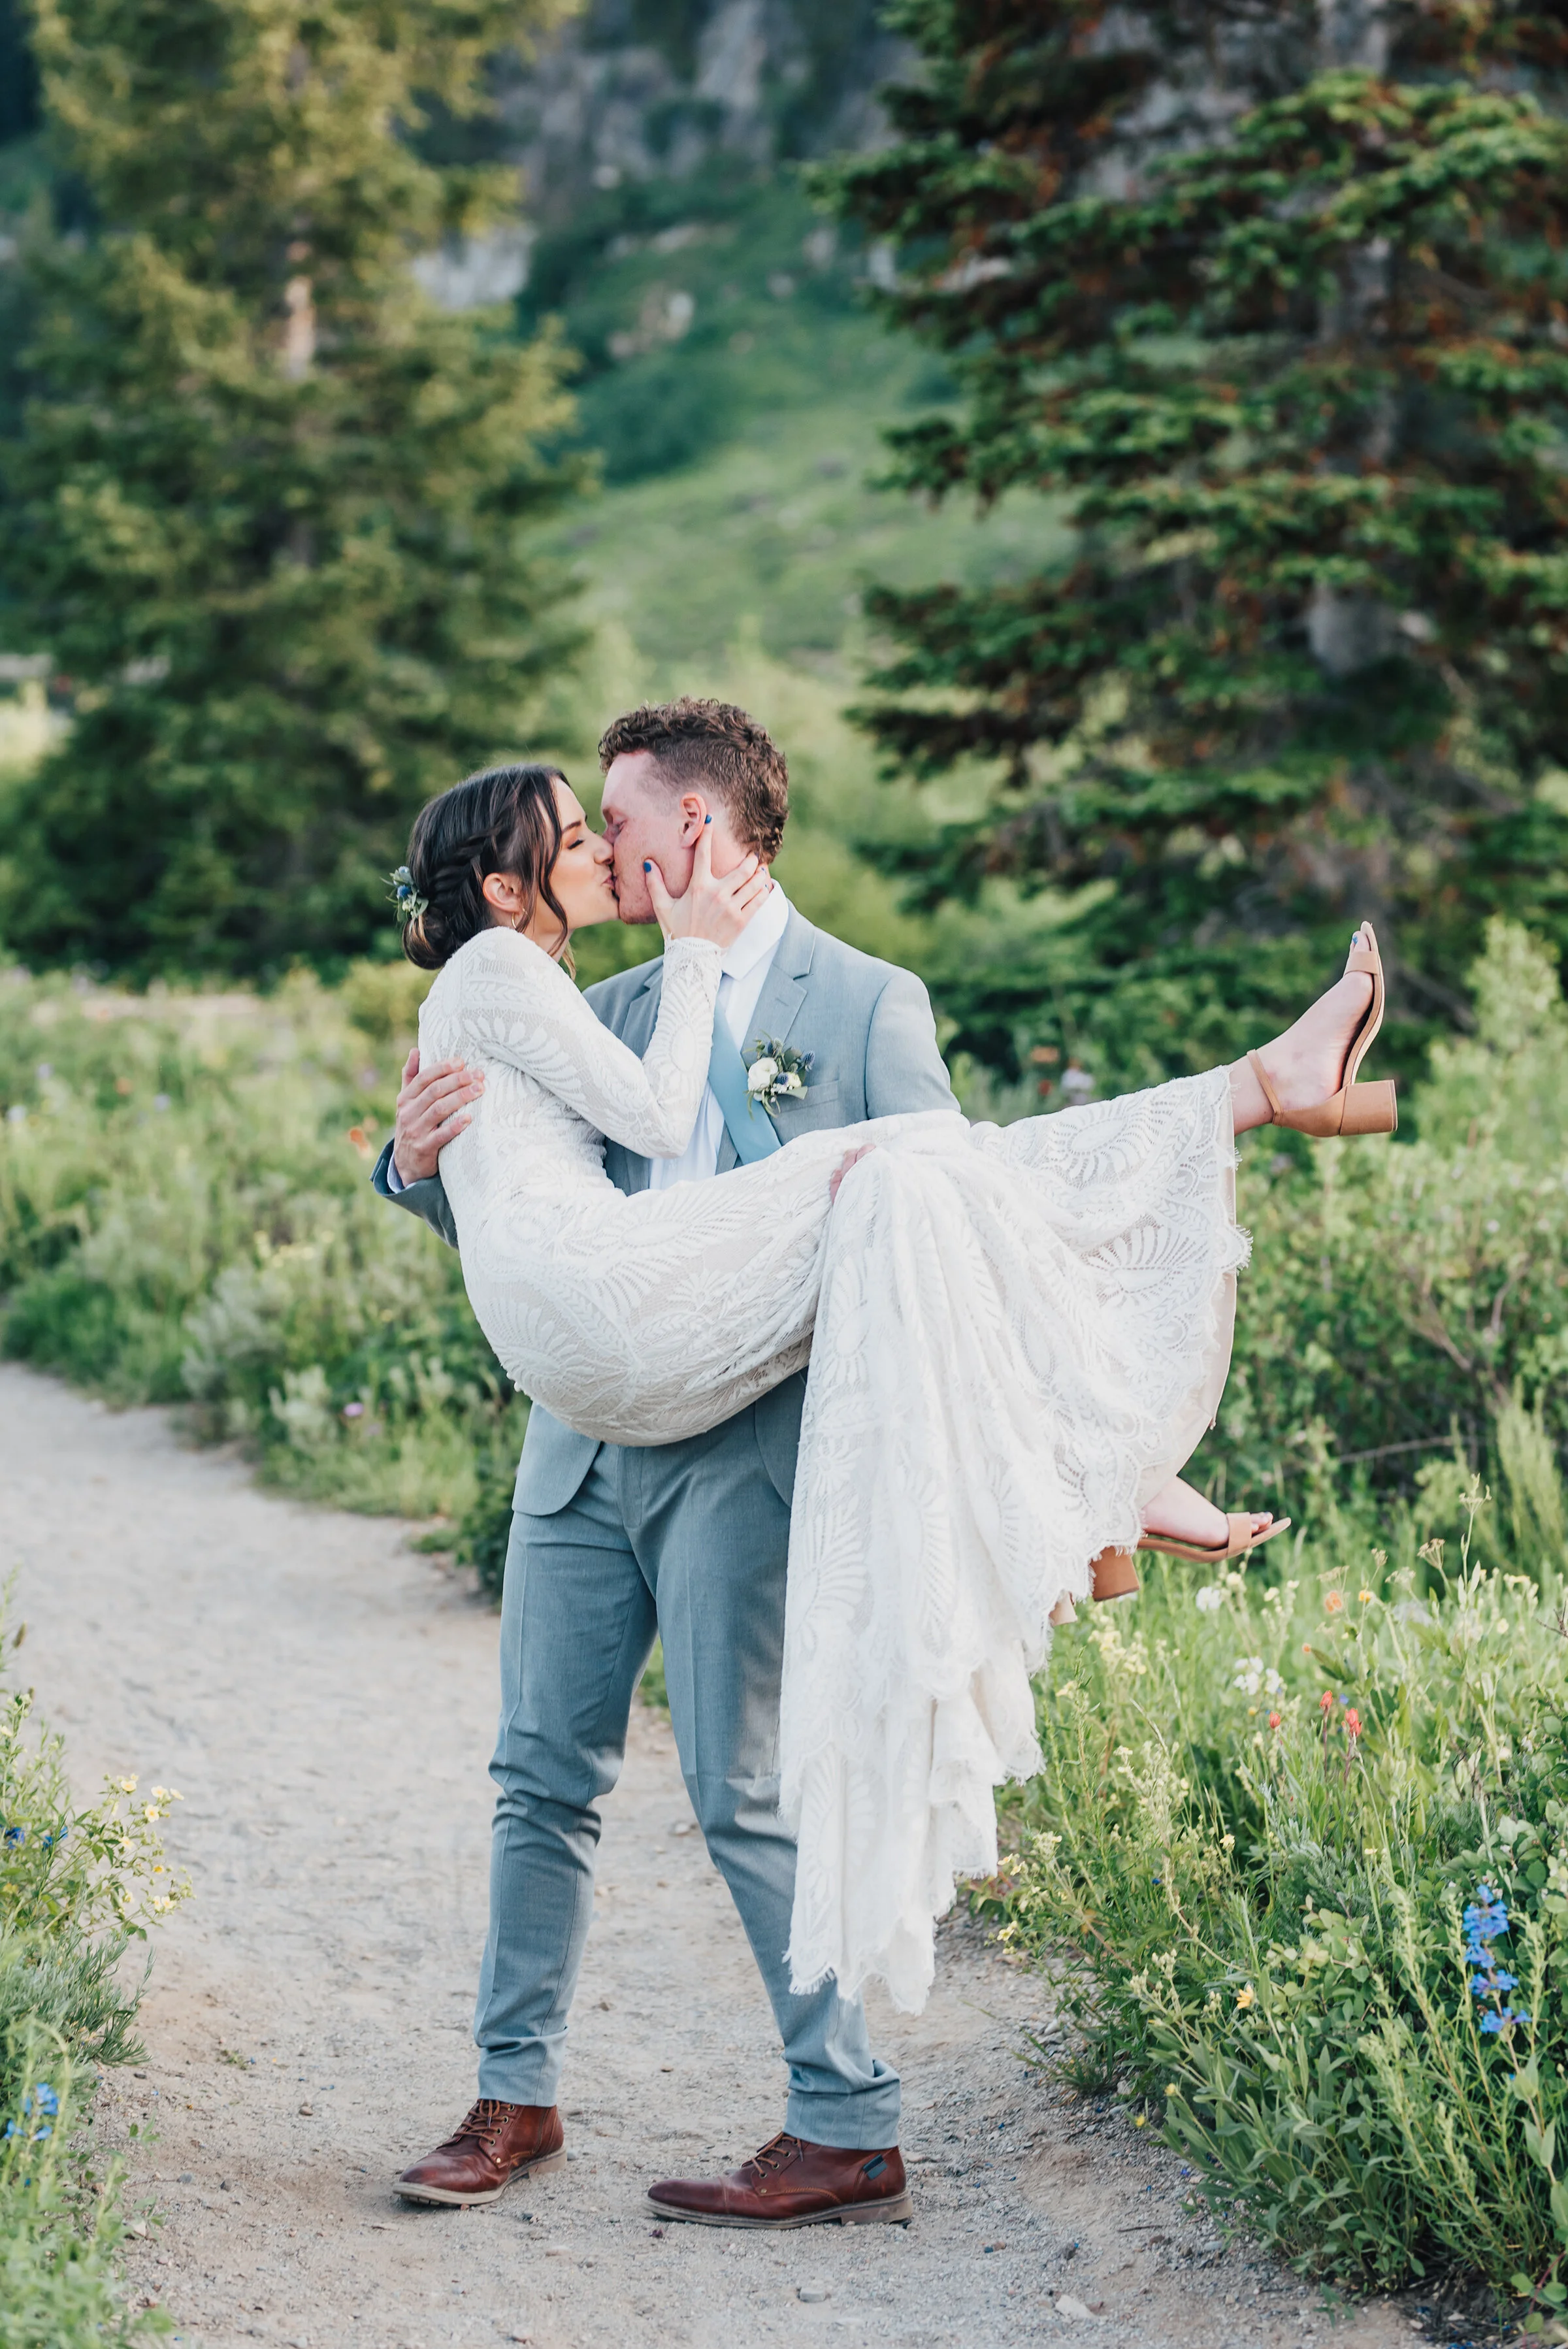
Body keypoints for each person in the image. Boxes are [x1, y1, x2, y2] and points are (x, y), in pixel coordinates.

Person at [376, 700, 1392, 2226]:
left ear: (697, 826)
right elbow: (520, 1208)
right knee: (538, 1780)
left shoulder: (864, 1003)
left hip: (740, 1454)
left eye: (619, 820)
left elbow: (962, 1248)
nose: (606, 845)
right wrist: (410, 1162)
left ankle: (842, 2115)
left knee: (740, 1788)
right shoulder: (609, 994)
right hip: (582, 1450)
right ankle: (511, 2098)